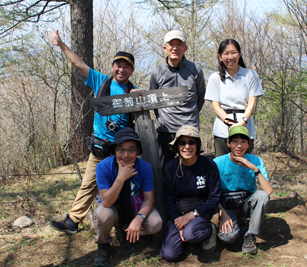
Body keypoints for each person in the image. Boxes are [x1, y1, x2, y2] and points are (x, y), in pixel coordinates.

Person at [48, 29, 138, 234]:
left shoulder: (133, 91)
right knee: (89, 184)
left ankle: (122, 226)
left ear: (132, 70)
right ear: (113, 67)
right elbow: (78, 63)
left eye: (126, 67)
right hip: (99, 147)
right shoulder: (100, 81)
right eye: (118, 65)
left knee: (122, 188)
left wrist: (137, 98)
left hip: (121, 151)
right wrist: (61, 44)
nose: (121, 70)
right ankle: (73, 221)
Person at [93, 127, 162, 266]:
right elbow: (106, 202)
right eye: (120, 149)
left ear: (137, 152)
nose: (125, 155)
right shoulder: (103, 167)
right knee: (102, 214)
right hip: (113, 209)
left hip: (135, 208)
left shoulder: (145, 167)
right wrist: (120, 179)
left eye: (131, 150)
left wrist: (138, 218)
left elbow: (149, 198)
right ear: (115, 151)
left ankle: (128, 231)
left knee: (156, 223)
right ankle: (103, 245)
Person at [160, 125, 221, 262]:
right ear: (177, 146)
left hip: (201, 210)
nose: (187, 147)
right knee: (169, 254)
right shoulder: (171, 167)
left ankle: (209, 229)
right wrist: (179, 222)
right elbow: (168, 199)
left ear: (197, 145)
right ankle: (187, 234)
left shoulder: (209, 165)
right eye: (182, 143)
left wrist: (192, 215)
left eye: (191, 142)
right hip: (178, 212)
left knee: (191, 234)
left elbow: (214, 197)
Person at [149, 30, 206, 169]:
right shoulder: (157, 72)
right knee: (162, 168)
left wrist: (190, 117)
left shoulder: (195, 70)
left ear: (185, 48)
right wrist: (163, 117)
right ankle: (164, 192)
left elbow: (200, 97)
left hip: (189, 127)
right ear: (165, 48)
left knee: (191, 167)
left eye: (179, 44)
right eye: (171, 44)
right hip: (166, 129)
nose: (175, 48)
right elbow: (154, 101)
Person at [213, 126, 273, 255]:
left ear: (249, 144)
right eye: (235, 141)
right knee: (227, 238)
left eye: (243, 142)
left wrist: (254, 169)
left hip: (247, 202)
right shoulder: (217, 163)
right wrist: (222, 214)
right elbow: (211, 194)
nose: (239, 146)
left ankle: (250, 235)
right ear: (228, 143)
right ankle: (233, 221)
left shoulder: (255, 160)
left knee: (262, 196)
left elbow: (268, 190)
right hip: (226, 205)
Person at [205, 39, 264, 157]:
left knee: (245, 166)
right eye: (226, 53)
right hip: (222, 129)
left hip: (246, 128)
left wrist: (241, 123)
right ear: (220, 57)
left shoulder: (250, 75)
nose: (230, 57)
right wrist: (230, 124)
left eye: (234, 52)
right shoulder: (215, 78)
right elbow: (216, 107)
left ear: (240, 54)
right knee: (222, 167)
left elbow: (251, 104)